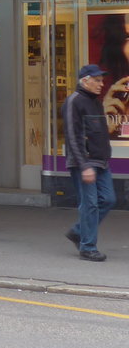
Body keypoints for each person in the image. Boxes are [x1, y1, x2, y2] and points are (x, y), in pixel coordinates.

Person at [63, 64, 115, 262]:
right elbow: (72, 137)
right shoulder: (73, 101)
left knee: (108, 200)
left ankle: (78, 232)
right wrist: (84, 166)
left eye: (102, 80)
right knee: (90, 204)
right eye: (98, 80)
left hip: (101, 162)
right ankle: (88, 247)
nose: (102, 84)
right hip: (84, 162)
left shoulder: (96, 102)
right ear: (85, 81)